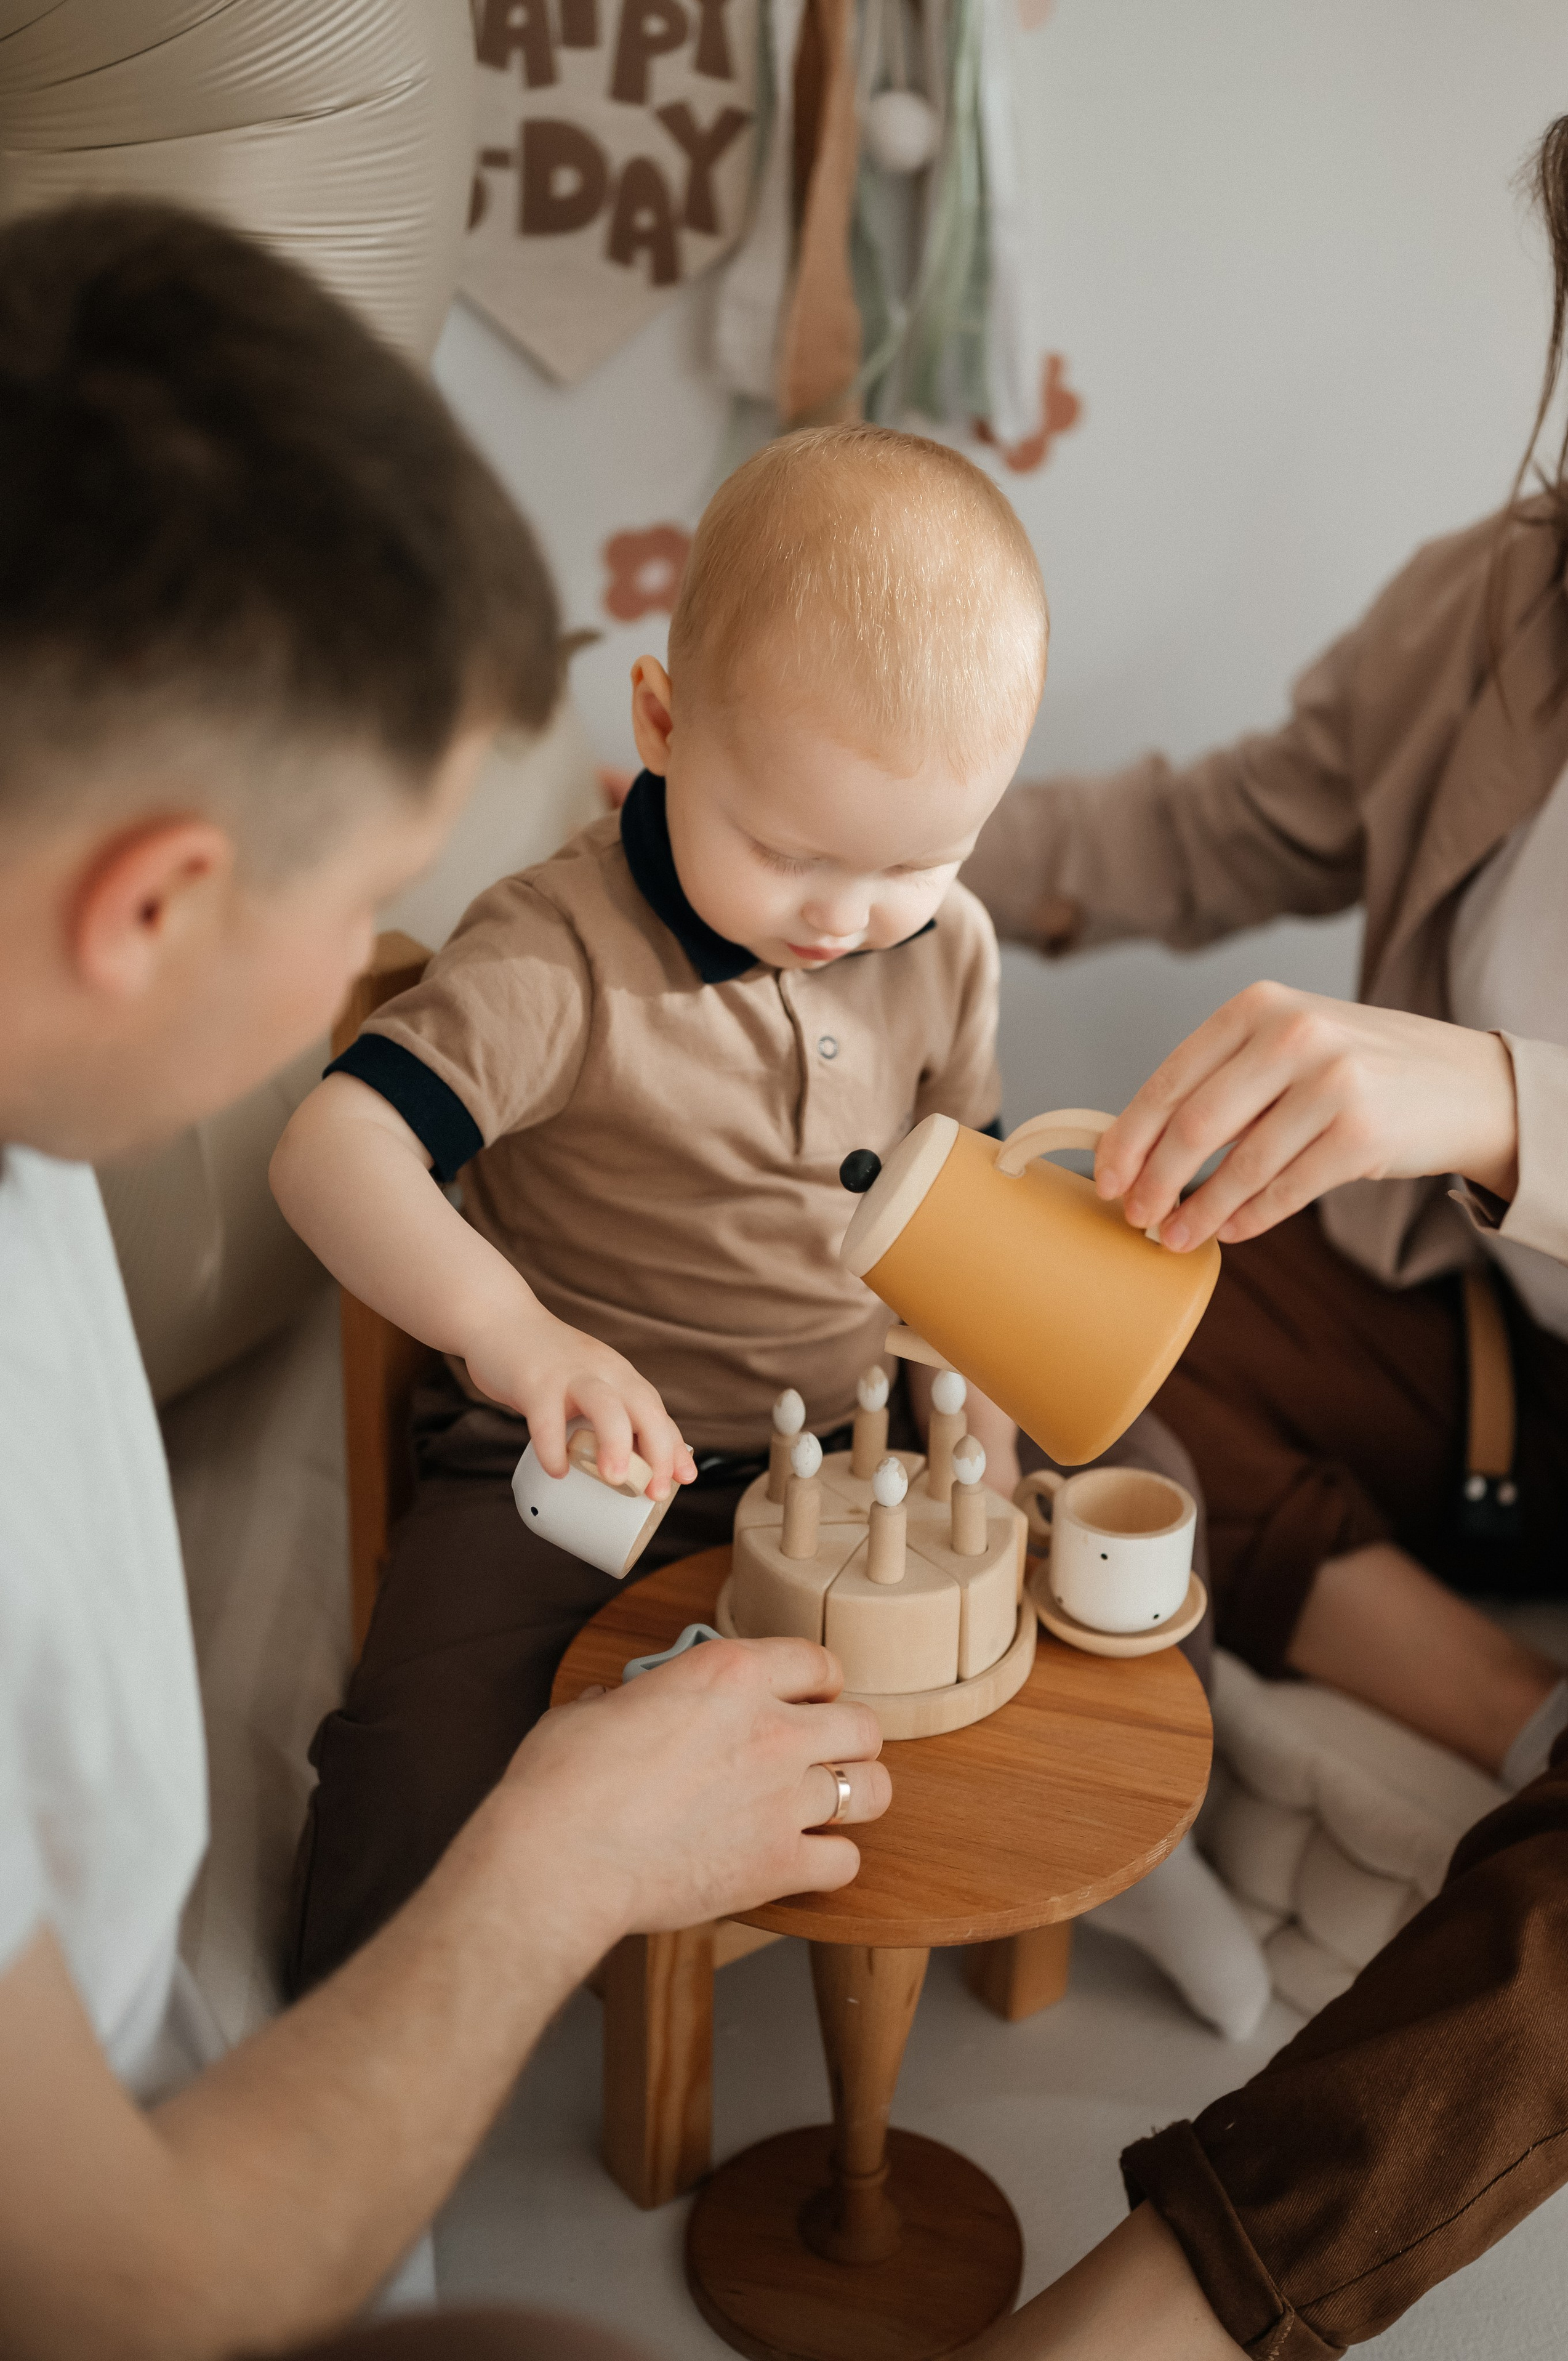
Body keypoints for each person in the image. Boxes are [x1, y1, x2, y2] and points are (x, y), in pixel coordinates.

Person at [0, 197, 891, 2361]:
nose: (366, 968)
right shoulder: (555, 956)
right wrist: (565, 1852)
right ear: (154, 906)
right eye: (367, 900)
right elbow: (122, 2288)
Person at [949, 105, 1568, 2361]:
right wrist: (833, 821)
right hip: (1495, 1357)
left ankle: (1155, 2316)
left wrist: (1504, 1097)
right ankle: (1515, 1713)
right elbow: (1209, 826)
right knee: (1066, 1233)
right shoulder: (1507, 605)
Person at [268, 423, 1043, 1989]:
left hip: (861, 1448)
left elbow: (974, 1223)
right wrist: (516, 1340)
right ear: (664, 723)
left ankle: (1113, 1867)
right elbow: (328, 1153)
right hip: (585, 1463)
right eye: (789, 851)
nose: (850, 917)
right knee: (416, 1751)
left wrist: (993, 1398)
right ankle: (331, 2068)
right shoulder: (557, 956)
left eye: (918, 856)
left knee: (1133, 1520)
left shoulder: (944, 944)